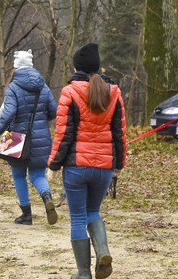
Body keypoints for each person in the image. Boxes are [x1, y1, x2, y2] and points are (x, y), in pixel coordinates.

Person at [49, 43, 126, 279]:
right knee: (93, 211)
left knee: (78, 217)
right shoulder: (114, 92)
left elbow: (64, 134)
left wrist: (53, 165)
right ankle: (102, 251)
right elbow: (119, 132)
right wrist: (119, 163)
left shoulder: (69, 92)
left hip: (76, 167)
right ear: (98, 67)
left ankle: (83, 273)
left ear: (76, 67)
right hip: (103, 168)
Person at [0, 49, 58, 225]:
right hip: (42, 139)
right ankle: (46, 196)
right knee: (37, 175)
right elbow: (54, 111)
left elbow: (8, 114)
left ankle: (26, 215)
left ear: (16, 66)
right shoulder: (43, 86)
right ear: (31, 65)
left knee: (19, 175)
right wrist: (41, 121)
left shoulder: (14, 86)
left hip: (17, 138)